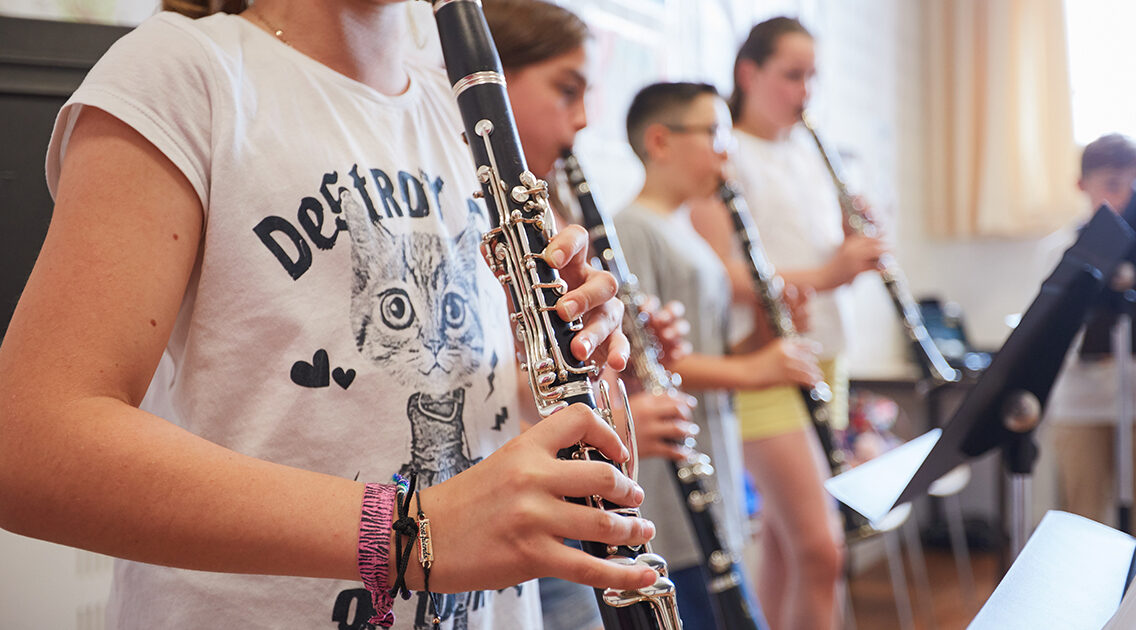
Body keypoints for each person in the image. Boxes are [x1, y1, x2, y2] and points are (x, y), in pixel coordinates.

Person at [0, 1, 665, 628]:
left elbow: (448, 397)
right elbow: (28, 440)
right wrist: (414, 529)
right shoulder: (185, 72)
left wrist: (572, 367)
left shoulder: (462, 108)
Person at [483, 2, 695, 628]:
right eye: (566, 91)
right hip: (495, 522)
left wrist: (619, 367)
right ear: (493, 78)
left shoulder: (550, 207)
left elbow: (538, 374)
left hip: (553, 517)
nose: (581, 122)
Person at [688, 17, 888, 629]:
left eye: (812, 78)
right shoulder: (726, 154)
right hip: (765, 360)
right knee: (822, 548)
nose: (805, 92)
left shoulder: (807, 152)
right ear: (749, 74)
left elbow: (817, 249)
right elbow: (720, 269)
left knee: (782, 539)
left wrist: (856, 242)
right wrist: (828, 274)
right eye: (792, 76)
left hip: (826, 350)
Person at [617, 81, 822, 630]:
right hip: (670, 485)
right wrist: (756, 370)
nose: (724, 149)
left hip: (715, 457)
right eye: (712, 132)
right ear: (660, 141)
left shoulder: (685, 228)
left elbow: (705, 350)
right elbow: (649, 365)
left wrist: (764, 339)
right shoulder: (632, 229)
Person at [1045, 133, 1136, 535]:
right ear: (1082, 185)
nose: (1124, 198)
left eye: (1133, 186)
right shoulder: (1059, 251)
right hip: (1081, 409)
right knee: (1083, 523)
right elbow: (1043, 336)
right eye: (1112, 185)